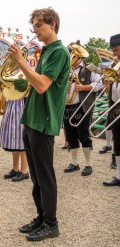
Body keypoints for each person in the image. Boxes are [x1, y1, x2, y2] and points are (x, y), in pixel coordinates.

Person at [8, 7, 70, 241]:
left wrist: (21, 62)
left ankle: (51, 223)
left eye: (38, 26)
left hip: (43, 120)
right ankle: (41, 217)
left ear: (52, 23)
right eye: (33, 26)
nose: (34, 31)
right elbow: (35, 84)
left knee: (45, 176)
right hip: (32, 117)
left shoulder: (58, 52)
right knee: (35, 176)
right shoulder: (45, 51)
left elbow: (43, 85)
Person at [63, 41, 102, 176]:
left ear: (80, 57)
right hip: (67, 106)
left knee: (83, 135)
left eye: (73, 54)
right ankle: (74, 163)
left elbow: (99, 84)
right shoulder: (65, 69)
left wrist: (84, 88)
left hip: (82, 106)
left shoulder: (90, 68)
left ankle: (88, 164)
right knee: (70, 136)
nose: (71, 57)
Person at [103, 33, 120, 186]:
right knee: (118, 142)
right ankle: (119, 175)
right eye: (113, 50)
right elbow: (110, 91)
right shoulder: (115, 66)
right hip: (115, 108)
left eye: (116, 50)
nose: (114, 54)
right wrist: (108, 84)